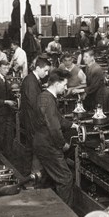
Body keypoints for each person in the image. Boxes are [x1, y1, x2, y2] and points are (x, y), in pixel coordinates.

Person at [32, 70, 78, 206]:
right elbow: (54, 127)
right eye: (64, 85)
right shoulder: (48, 100)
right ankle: (64, 214)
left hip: (41, 142)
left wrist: (72, 125)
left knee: (46, 177)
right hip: (48, 145)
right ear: (57, 83)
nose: (65, 88)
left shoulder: (45, 97)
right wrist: (62, 144)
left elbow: (58, 119)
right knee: (65, 178)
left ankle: (44, 205)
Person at [21, 57, 51, 174]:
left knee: (29, 149)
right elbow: (35, 104)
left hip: (30, 120)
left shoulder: (33, 79)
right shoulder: (31, 82)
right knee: (34, 149)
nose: (47, 73)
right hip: (32, 121)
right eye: (45, 70)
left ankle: (27, 174)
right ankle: (32, 176)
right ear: (38, 68)